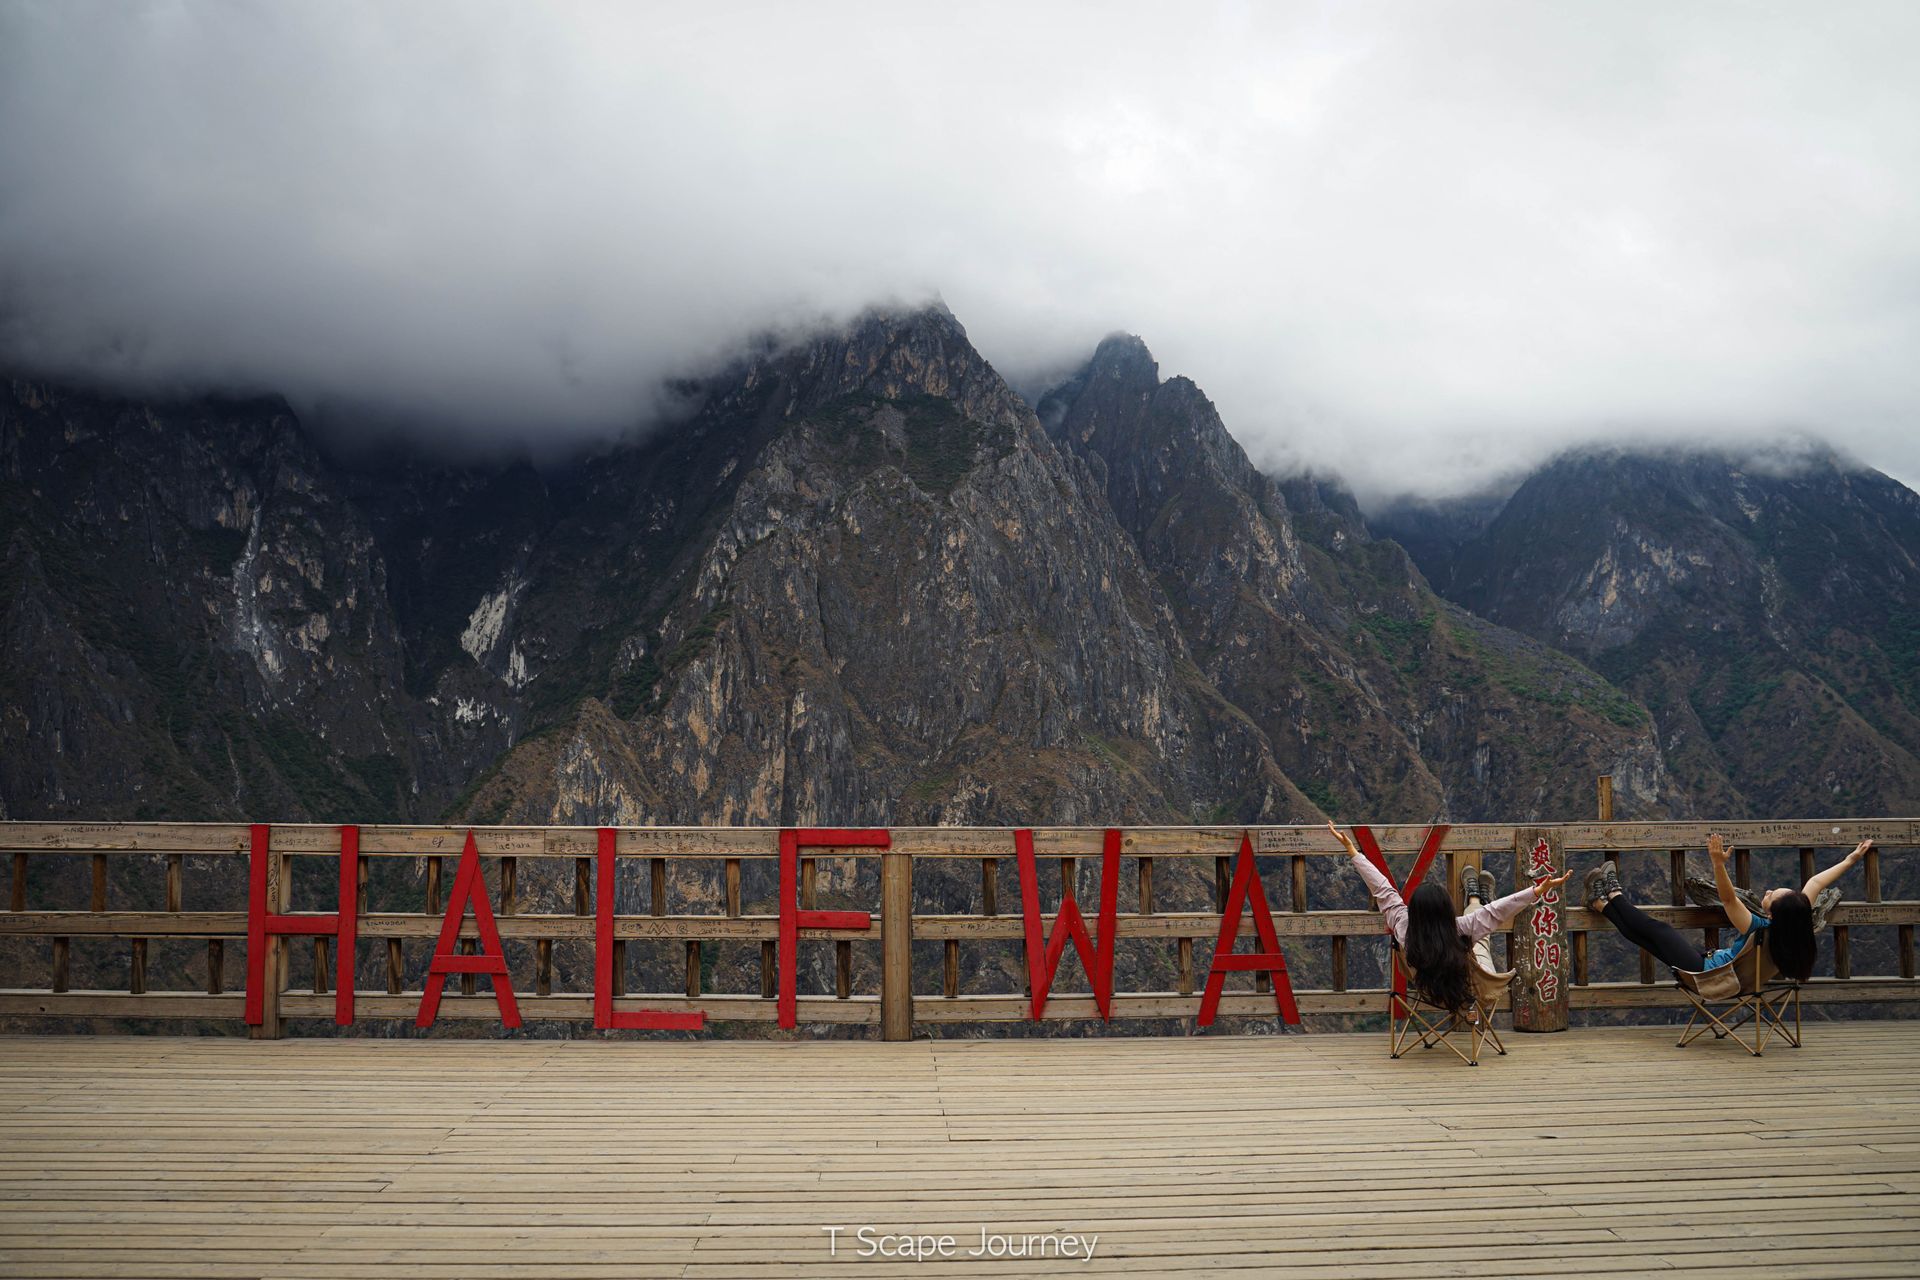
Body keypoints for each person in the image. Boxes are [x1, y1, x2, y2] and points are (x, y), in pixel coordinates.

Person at [1328, 821, 1570, 1015]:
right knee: (1482, 933)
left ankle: (1475, 898)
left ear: (1414, 911)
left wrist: (1353, 852)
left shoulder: (1404, 928)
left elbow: (1383, 890)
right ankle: (1475, 899)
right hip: (1468, 989)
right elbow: (1498, 911)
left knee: (1479, 922)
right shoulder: (1459, 929)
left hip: (1425, 991)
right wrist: (1537, 890)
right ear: (1446, 909)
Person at [1583, 834, 1873, 981]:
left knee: (1658, 930)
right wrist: (1851, 860)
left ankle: (1614, 893)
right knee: (1649, 938)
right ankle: (1602, 904)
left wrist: (1718, 863)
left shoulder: (1758, 929)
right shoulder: (1794, 925)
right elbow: (1815, 883)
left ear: (1772, 913)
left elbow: (1729, 900)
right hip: (1725, 967)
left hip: (1709, 975)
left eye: (1772, 895)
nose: (1769, 891)